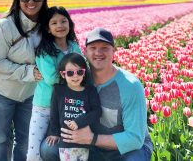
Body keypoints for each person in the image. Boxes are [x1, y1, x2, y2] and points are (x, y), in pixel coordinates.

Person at [40, 28, 153, 161]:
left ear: (113, 51)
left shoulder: (130, 85)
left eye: (104, 47)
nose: (98, 52)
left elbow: (135, 139)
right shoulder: (77, 78)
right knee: (49, 149)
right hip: (89, 146)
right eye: (93, 48)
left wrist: (92, 138)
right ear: (85, 52)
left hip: (126, 150)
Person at [0, 0, 48, 161]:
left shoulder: (48, 25)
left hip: (30, 93)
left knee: (26, 141)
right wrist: (29, 72)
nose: (31, 2)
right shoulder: (4, 26)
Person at [27, 6, 82, 160]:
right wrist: (76, 78)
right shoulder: (45, 50)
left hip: (68, 106)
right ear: (48, 28)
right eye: (54, 23)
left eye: (64, 21)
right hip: (44, 106)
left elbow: (84, 67)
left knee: (64, 150)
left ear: (70, 24)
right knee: (34, 151)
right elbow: (51, 78)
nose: (60, 26)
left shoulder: (73, 46)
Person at [47, 52, 102, 161]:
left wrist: (79, 122)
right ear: (63, 74)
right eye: (70, 73)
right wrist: (54, 133)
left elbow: (97, 112)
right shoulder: (58, 90)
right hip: (65, 142)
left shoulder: (90, 91)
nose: (75, 76)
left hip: (84, 141)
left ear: (84, 73)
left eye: (79, 72)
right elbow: (54, 114)